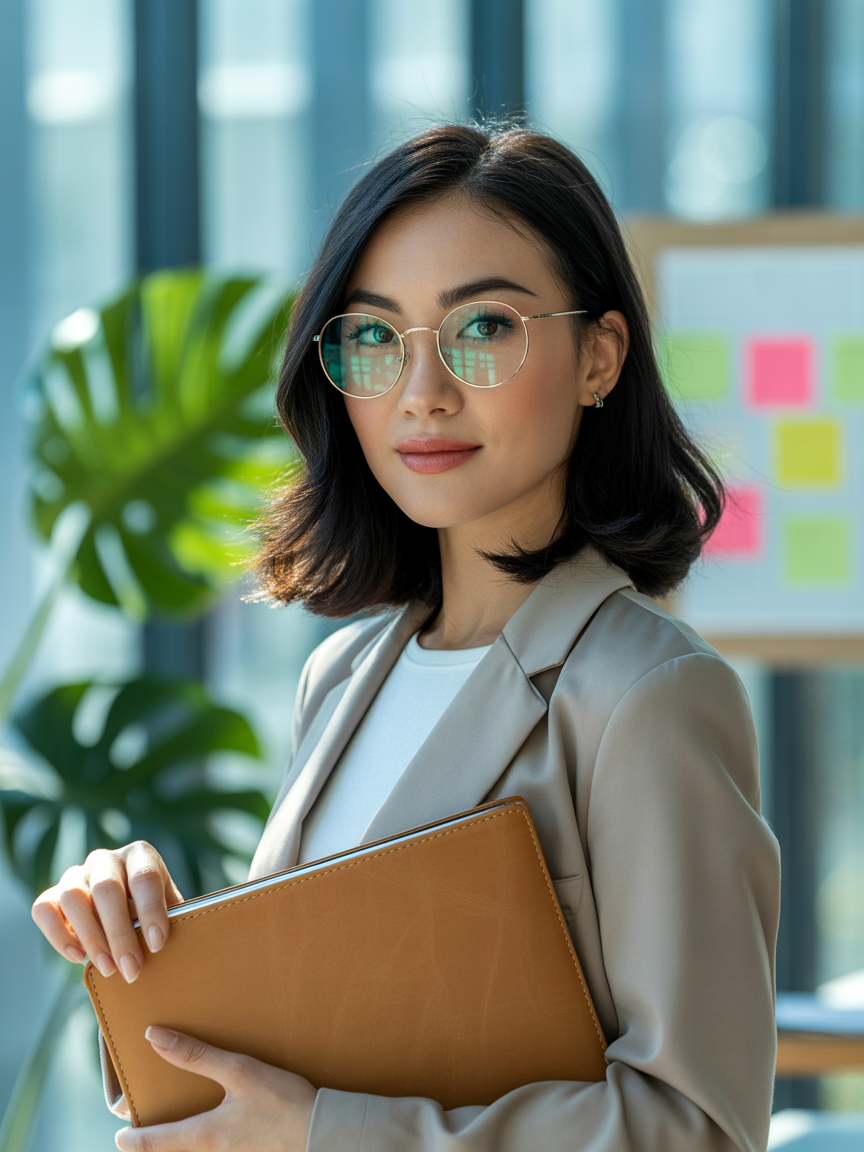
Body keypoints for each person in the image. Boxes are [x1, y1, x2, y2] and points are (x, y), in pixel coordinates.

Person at [31, 123, 781, 1152]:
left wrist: (329, 1133)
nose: (422, 391)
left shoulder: (646, 694)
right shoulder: (342, 676)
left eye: (484, 326)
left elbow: (698, 1127)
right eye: (376, 336)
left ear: (598, 356)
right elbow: (321, 1039)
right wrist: (137, 937)